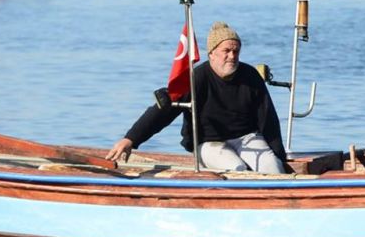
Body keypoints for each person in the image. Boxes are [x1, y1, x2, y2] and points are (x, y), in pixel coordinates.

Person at [108, 21, 291, 174]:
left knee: (273, 168)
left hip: (246, 138)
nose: (232, 56)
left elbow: (269, 121)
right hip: (209, 144)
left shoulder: (250, 76)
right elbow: (163, 111)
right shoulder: (196, 78)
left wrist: (281, 159)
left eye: (236, 51)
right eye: (226, 51)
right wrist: (130, 139)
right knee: (238, 169)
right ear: (211, 53)